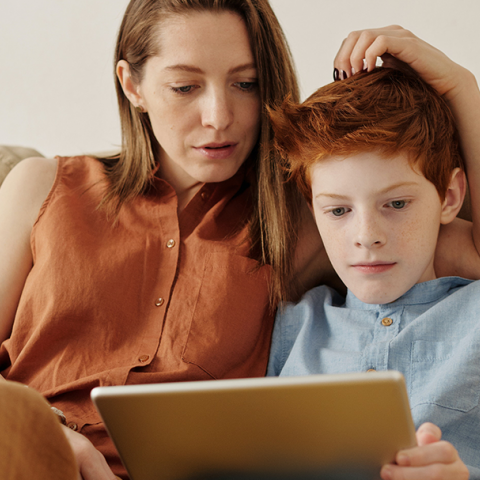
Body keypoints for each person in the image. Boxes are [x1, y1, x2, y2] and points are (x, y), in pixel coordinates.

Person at [0, 0, 480, 477]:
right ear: (133, 85)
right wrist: (48, 430)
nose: (218, 116)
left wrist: (461, 88)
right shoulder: (39, 186)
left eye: (246, 84)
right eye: (185, 86)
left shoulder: (320, 218)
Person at [267, 67, 479, 479]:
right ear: (314, 212)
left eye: (396, 204)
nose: (367, 236)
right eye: (339, 210)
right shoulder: (294, 326)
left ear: (449, 198)